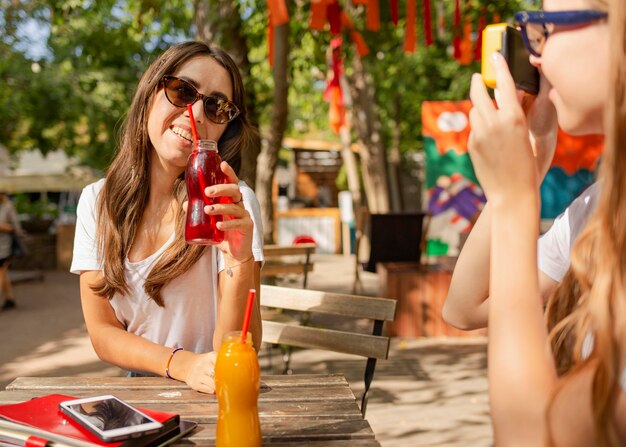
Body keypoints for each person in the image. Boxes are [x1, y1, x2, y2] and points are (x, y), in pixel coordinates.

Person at [447, 0, 626, 444]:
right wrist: (531, 163)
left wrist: (513, 201)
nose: (533, 55)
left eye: (547, 27)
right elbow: (466, 307)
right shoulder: (603, 204)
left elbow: (531, 438)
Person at [71, 41, 263, 394]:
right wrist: (179, 364)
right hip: (140, 390)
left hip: (211, 387)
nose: (197, 113)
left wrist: (240, 260)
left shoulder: (232, 202)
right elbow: (102, 333)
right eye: (182, 91)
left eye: (217, 106)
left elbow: (239, 347)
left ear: (226, 127)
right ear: (149, 93)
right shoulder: (96, 202)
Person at [0, 191, 22, 311]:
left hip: (4, 247)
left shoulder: (7, 207)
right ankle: (10, 299)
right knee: (3, 274)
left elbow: (16, 228)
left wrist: (3, 227)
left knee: (1, 272)